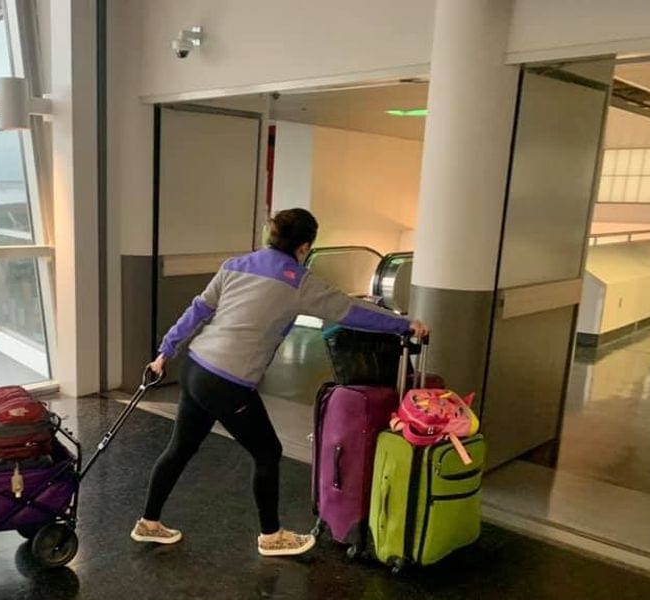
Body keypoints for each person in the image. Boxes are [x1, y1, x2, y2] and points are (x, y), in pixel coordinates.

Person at [132, 208, 429, 557]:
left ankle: (148, 522)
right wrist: (405, 324)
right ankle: (272, 536)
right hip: (228, 382)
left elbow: (198, 310)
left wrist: (164, 352)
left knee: (180, 447)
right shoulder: (298, 281)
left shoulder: (234, 265)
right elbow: (350, 310)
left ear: (270, 237)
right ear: (304, 247)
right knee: (268, 452)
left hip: (196, 368)